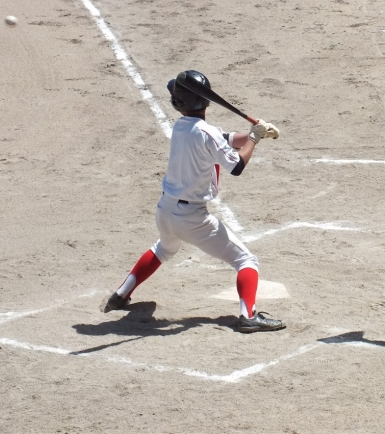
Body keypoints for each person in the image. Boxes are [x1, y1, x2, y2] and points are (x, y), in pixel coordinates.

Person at [103, 70, 285, 333]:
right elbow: (236, 166)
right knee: (246, 261)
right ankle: (248, 317)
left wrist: (254, 134)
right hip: (192, 218)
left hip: (165, 211)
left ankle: (121, 294)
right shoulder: (206, 132)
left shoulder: (182, 127)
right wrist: (254, 138)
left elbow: (224, 140)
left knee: (163, 250)